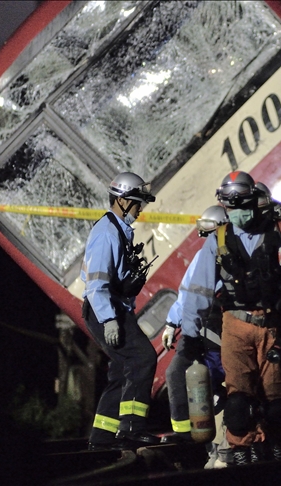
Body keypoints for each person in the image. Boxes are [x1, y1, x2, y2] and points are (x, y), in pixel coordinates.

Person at [172, 172, 281, 465]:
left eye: (241, 204)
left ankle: (277, 445)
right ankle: (241, 448)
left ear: (254, 201)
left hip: (273, 324)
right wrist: (191, 334)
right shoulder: (217, 241)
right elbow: (198, 290)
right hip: (235, 325)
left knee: (277, 401)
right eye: (230, 206)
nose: (237, 211)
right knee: (238, 401)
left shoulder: (280, 235)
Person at [82, 171, 160, 450]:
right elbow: (96, 284)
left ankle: (102, 438)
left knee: (121, 370)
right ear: (124, 201)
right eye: (138, 203)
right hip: (106, 310)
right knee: (143, 358)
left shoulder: (117, 230)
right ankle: (131, 428)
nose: (141, 209)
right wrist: (110, 320)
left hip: (112, 309)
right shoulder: (106, 234)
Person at [160, 205, 228, 451]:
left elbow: (196, 294)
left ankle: (189, 438)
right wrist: (171, 322)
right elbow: (188, 292)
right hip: (200, 328)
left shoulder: (221, 252)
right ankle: (186, 435)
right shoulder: (207, 252)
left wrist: (184, 328)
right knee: (180, 375)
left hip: (211, 330)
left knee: (181, 374)